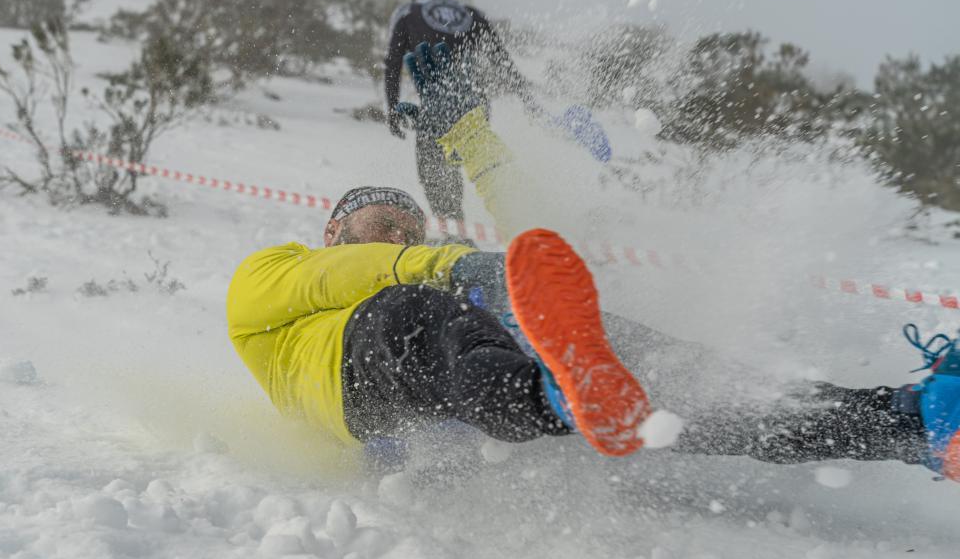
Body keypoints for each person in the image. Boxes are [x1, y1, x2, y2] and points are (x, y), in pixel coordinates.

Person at [225, 43, 960, 483]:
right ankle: (560, 397)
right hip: (359, 383)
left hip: (471, 395)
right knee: (424, 318)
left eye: (412, 225)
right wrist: (445, 268)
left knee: (675, 384)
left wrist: (470, 136)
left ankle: (909, 423)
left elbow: (536, 242)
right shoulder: (275, 274)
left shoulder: (436, 265)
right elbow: (350, 282)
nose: (400, 237)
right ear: (332, 230)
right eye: (383, 224)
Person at [384, 0, 531, 224]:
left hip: (436, 100)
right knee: (481, 160)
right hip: (475, 102)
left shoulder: (408, 11)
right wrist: (525, 96)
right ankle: (520, 214)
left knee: (435, 167)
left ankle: (453, 231)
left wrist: (392, 106)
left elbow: (393, 62)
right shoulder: (470, 12)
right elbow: (500, 58)